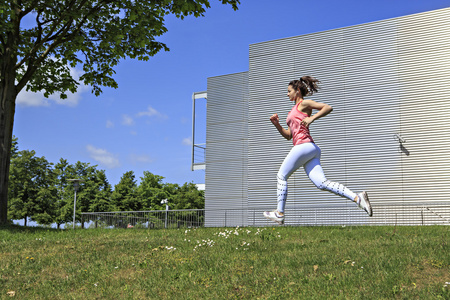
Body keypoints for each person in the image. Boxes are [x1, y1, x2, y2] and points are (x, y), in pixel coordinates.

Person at [263, 76, 372, 225]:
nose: (287, 94)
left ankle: (280, 213)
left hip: (304, 146)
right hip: (310, 149)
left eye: (289, 91)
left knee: (281, 175)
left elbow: (328, 107)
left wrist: (312, 118)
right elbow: (289, 136)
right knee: (322, 183)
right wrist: (277, 124)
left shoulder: (303, 104)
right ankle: (358, 198)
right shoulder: (293, 110)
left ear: (297, 91)